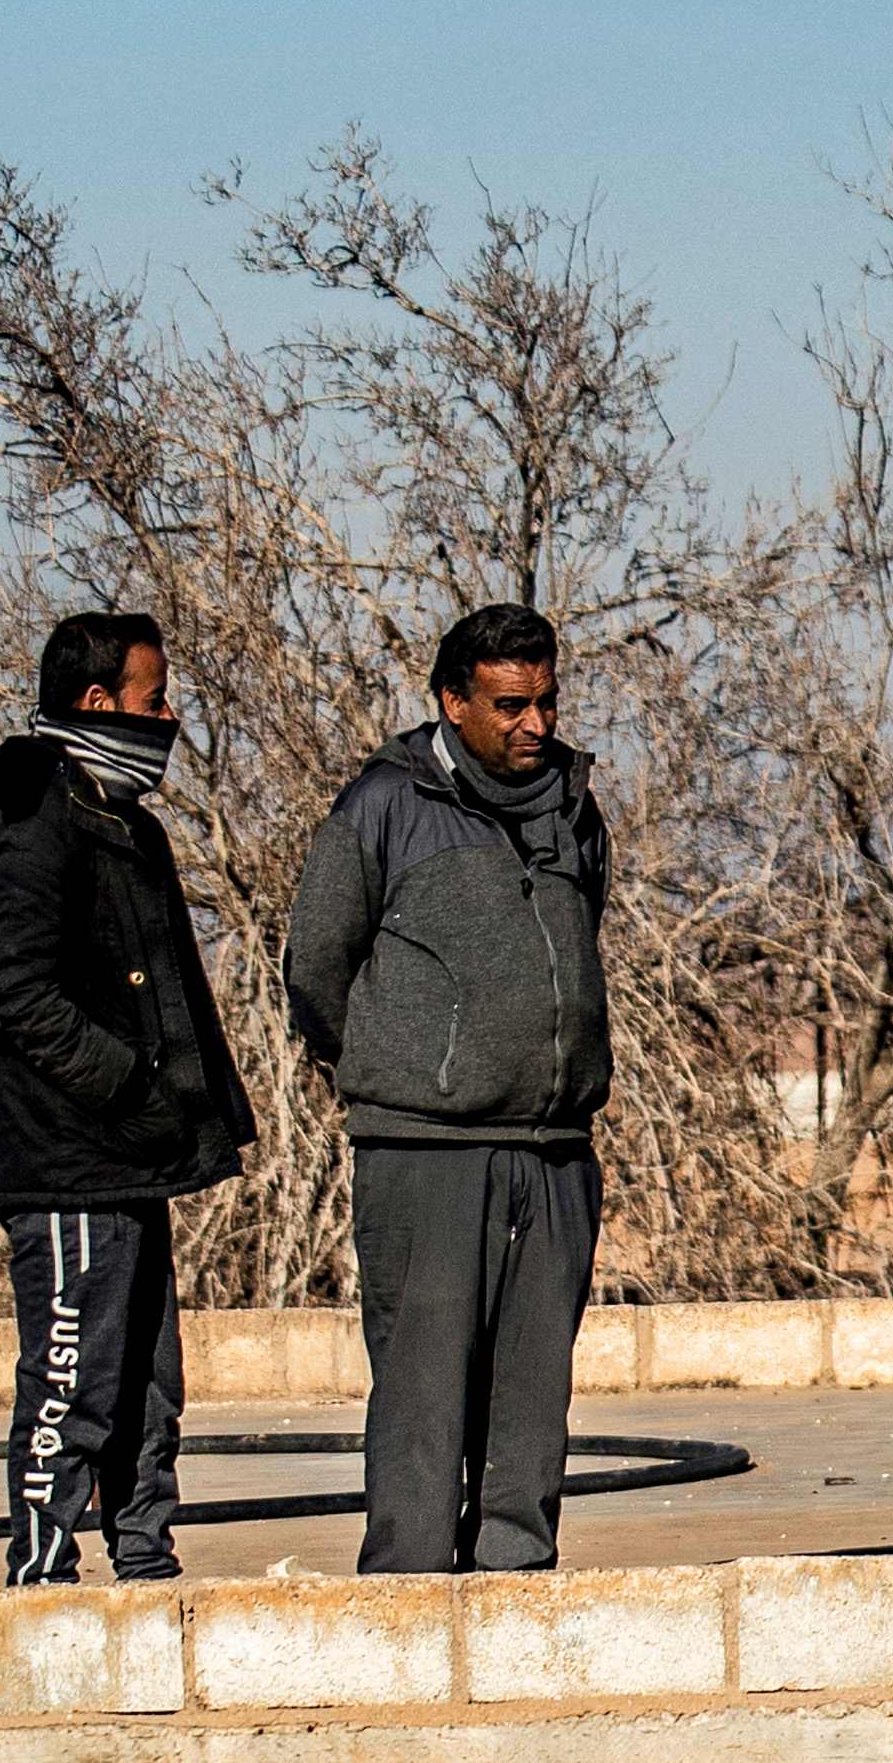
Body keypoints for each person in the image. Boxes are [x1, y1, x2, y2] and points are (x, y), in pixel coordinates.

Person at [0, 609, 257, 1587]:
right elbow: (17, 993)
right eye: (155, 699)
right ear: (100, 703)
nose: (169, 717)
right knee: (73, 1380)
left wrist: (180, 1113)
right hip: (70, 1162)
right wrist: (127, 1082)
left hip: (133, 1159)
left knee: (150, 1386)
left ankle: (144, 1555)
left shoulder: (123, 824)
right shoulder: (31, 823)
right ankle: (43, 1569)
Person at [281, 602, 614, 1574]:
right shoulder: (383, 804)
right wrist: (406, 1070)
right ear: (452, 701)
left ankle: (515, 1585)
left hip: (554, 1152)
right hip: (425, 1152)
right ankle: (409, 1601)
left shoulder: (572, 807)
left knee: (531, 1395)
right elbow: (315, 964)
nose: (536, 725)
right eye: (511, 704)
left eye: (546, 701)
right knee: (425, 1399)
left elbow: (581, 930)